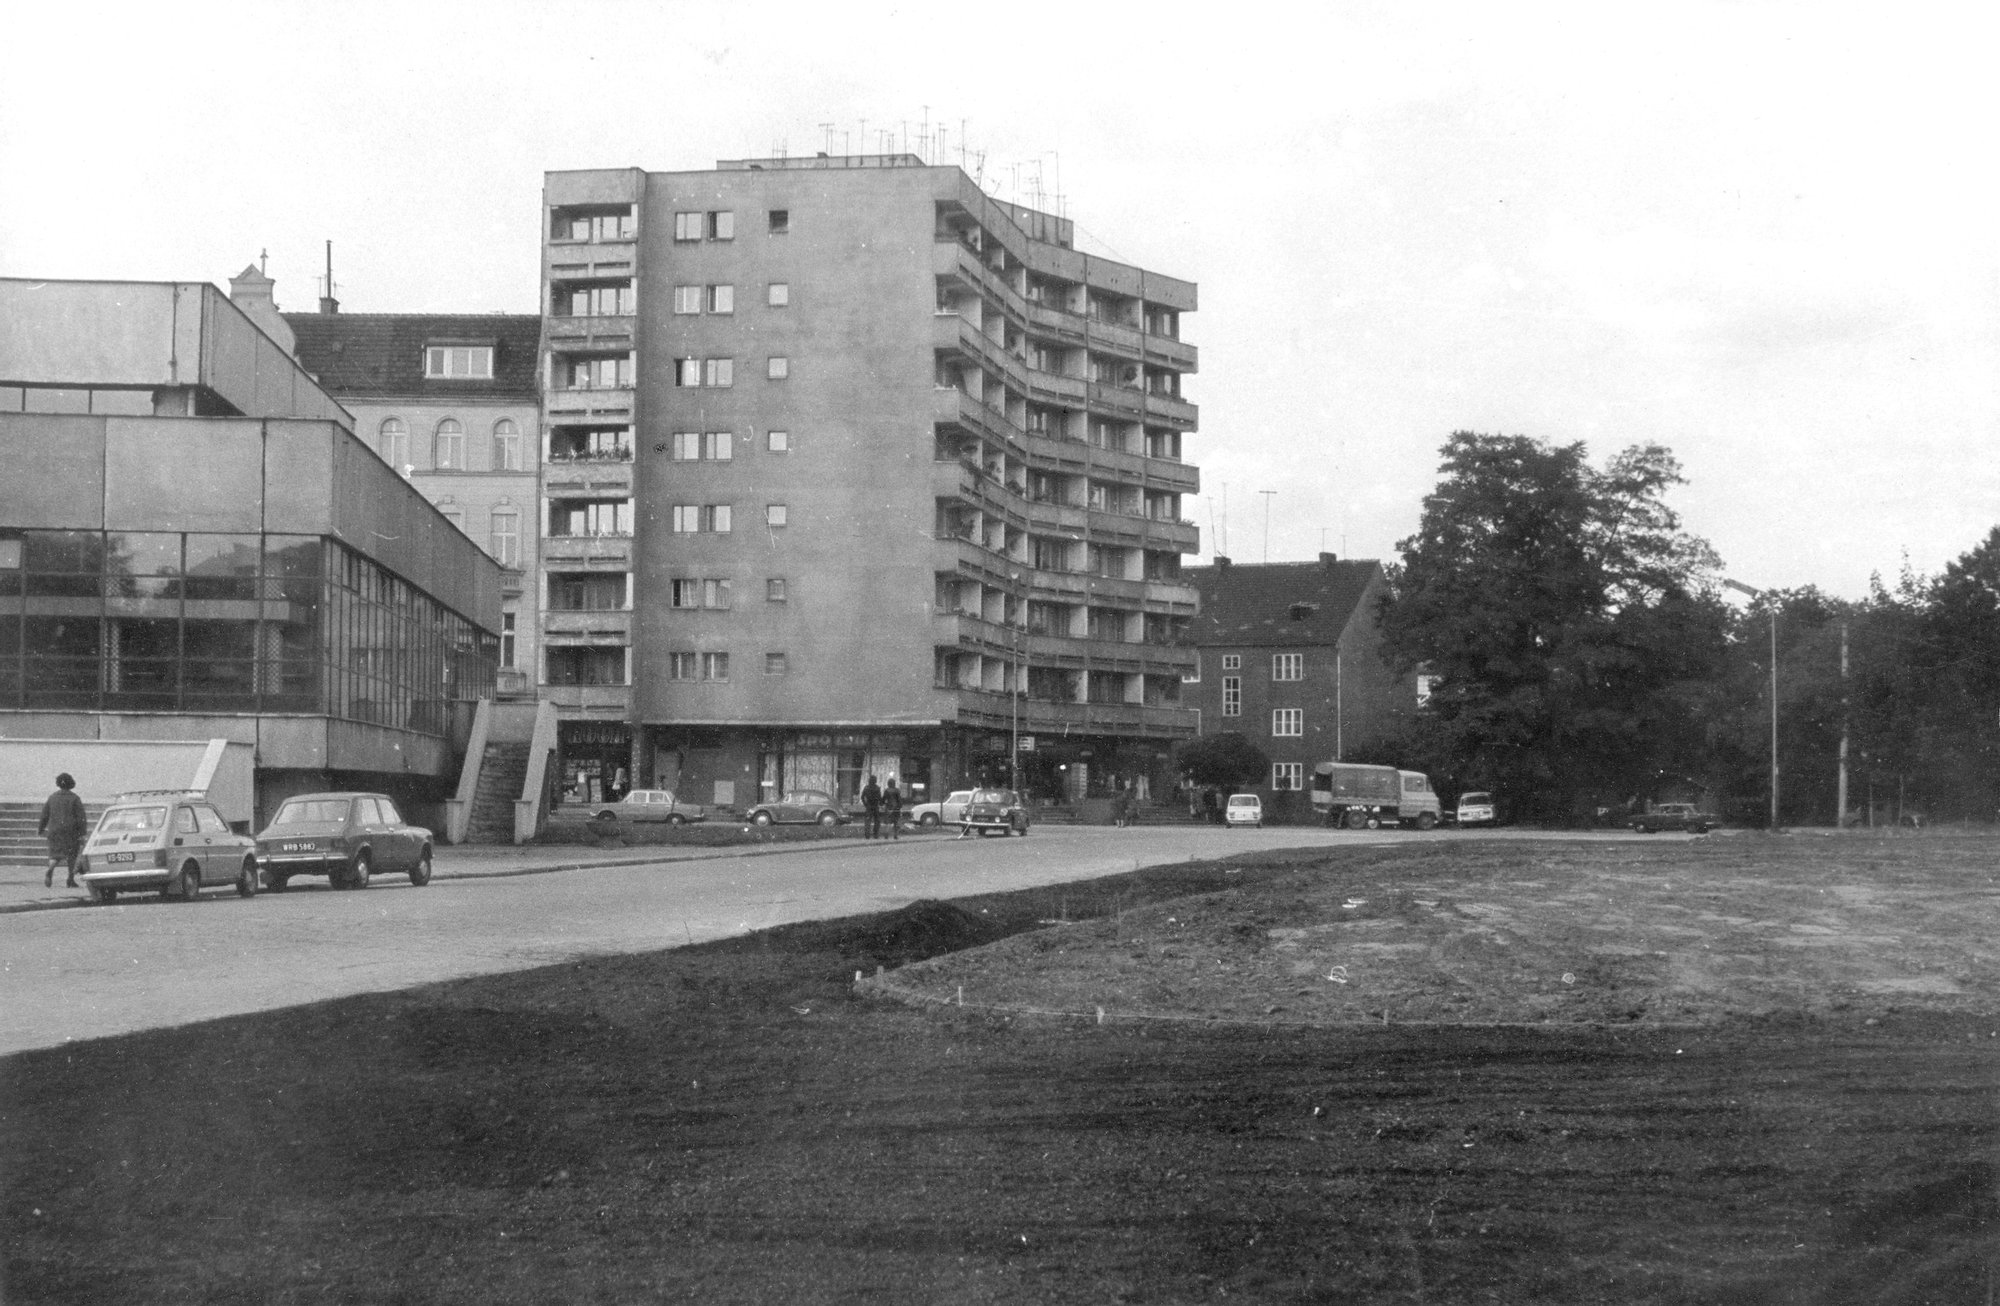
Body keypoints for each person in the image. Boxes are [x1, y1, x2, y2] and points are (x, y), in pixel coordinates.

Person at [39, 772, 87, 890]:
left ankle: (50, 869)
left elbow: (44, 815)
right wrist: (82, 833)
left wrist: (41, 829)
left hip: (54, 831)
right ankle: (70, 880)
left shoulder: (52, 797)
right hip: (70, 832)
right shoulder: (75, 798)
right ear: (71, 783)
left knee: (55, 855)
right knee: (71, 856)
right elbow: (81, 817)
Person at [860, 774, 882, 838]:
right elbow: (879, 798)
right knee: (877, 821)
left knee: (867, 821)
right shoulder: (877, 788)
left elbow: (862, 797)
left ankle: (867, 835)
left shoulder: (866, 788)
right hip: (875, 806)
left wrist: (865, 804)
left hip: (869, 806)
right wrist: (880, 803)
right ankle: (875, 834)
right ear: (875, 781)